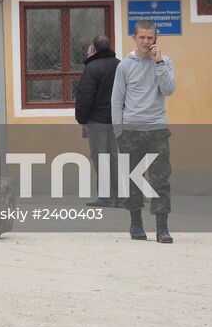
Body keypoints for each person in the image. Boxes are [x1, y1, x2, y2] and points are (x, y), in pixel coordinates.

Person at [112, 19, 176, 244]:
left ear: (155, 39)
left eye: (150, 38)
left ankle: (162, 228)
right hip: (130, 131)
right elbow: (116, 100)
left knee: (160, 179)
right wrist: (119, 131)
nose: (146, 42)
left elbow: (169, 89)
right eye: (142, 37)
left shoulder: (165, 62)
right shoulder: (124, 66)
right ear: (134, 38)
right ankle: (136, 224)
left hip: (157, 128)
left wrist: (159, 63)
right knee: (133, 179)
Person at [74, 35, 121, 207]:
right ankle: (120, 198)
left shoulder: (92, 67)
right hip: (116, 120)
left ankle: (105, 197)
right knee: (114, 157)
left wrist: (81, 118)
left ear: (93, 48)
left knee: (100, 157)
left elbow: (86, 95)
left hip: (97, 121)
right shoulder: (119, 65)